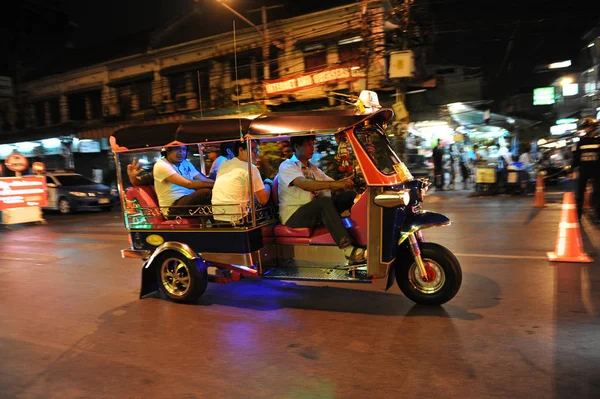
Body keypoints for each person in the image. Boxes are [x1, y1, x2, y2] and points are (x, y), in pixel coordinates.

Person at [277, 135, 365, 264]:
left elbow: (334, 184)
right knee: (324, 203)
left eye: (313, 144)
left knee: (349, 195)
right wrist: (336, 185)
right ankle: (348, 249)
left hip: (313, 210)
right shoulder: (287, 166)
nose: (312, 148)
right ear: (296, 147)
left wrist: (354, 177)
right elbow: (305, 184)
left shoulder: (313, 168)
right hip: (294, 214)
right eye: (308, 144)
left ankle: (362, 234)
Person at [211, 140, 272, 224]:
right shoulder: (250, 168)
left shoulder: (224, 164)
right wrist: (268, 183)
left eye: (258, 150)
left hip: (218, 217)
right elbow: (263, 200)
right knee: (269, 205)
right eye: (253, 150)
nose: (257, 153)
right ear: (240, 150)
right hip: (239, 219)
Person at [153, 144, 214, 216]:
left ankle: (220, 223)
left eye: (184, 149)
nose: (181, 152)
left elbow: (203, 179)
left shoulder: (185, 163)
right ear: (168, 151)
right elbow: (188, 184)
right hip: (173, 207)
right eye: (177, 149)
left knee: (213, 192)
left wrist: (219, 184)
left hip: (187, 201)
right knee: (206, 192)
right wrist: (214, 185)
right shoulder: (161, 165)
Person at [571, 117, 600, 222]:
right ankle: (577, 215)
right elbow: (577, 157)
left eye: (587, 127)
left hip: (596, 170)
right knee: (580, 192)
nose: (585, 129)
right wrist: (571, 169)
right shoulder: (581, 141)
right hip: (584, 170)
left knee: (598, 192)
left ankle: (598, 215)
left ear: (592, 127)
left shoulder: (598, 140)